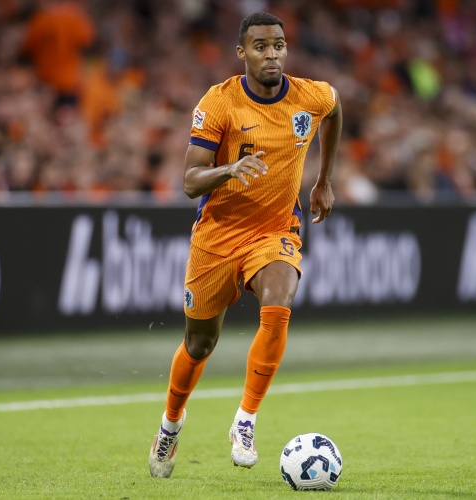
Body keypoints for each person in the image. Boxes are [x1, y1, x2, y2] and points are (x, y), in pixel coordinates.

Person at [148, 12, 342, 478]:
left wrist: (324, 179)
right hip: (217, 236)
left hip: (274, 230)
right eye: (260, 46)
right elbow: (190, 182)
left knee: (279, 301)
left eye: (278, 45)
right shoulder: (219, 103)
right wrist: (229, 169)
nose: (271, 54)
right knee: (199, 344)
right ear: (242, 53)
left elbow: (335, 110)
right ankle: (170, 424)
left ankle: (245, 420)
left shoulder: (310, 96)